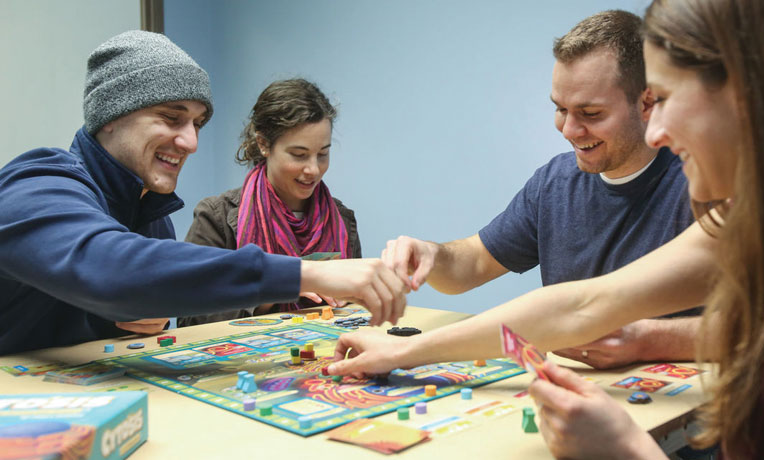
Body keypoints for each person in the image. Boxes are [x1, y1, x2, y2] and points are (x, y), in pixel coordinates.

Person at [526, 0, 764, 458]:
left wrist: (625, 448)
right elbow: (587, 303)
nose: (655, 131)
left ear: (749, 96)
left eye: (661, 99)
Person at [0, 31, 407, 356]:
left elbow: (131, 312)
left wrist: (147, 319)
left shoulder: (153, 214)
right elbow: (110, 269)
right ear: (109, 117)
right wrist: (306, 273)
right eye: (171, 118)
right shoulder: (36, 182)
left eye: (197, 123)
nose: (191, 142)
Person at [380, 10, 700, 369]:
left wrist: (648, 342)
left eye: (590, 113)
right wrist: (432, 254)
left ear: (646, 102)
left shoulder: (701, 181)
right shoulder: (555, 183)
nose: (568, 130)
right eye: (560, 109)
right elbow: (473, 264)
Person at [178, 79, 360, 327]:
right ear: (263, 144)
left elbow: (357, 310)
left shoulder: (342, 220)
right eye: (299, 155)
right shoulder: (216, 218)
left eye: (323, 154)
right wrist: (277, 288)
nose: (313, 169)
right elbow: (191, 319)